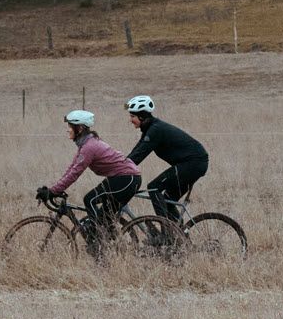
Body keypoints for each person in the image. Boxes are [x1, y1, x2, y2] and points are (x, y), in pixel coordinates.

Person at [37, 110, 141, 258]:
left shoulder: (89, 147)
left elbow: (75, 174)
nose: (68, 129)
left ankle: (96, 236)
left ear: (79, 129)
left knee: (90, 199)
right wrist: (53, 189)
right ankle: (104, 245)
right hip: (122, 177)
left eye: (70, 126)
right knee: (105, 216)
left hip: (127, 178)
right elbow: (72, 168)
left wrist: (53, 191)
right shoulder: (85, 144)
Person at [124, 95, 209, 224]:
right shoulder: (151, 129)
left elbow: (138, 156)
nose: (130, 120)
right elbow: (135, 152)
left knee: (153, 187)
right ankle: (180, 237)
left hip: (193, 163)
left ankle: (167, 233)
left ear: (141, 116)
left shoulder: (155, 130)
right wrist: (120, 164)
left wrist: (119, 169)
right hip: (195, 163)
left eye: (132, 116)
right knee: (168, 201)